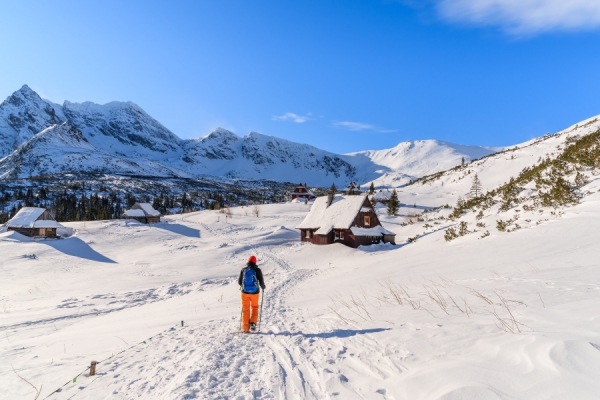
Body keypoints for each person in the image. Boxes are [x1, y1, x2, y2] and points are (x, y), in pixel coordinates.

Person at [238, 255, 266, 333]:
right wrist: (263, 287)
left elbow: (239, 282)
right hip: (255, 293)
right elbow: (261, 282)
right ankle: (253, 322)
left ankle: (245, 328)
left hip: (244, 293)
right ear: (255, 262)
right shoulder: (257, 270)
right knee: (254, 307)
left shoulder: (243, 270)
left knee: (245, 309)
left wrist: (244, 286)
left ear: (248, 261)